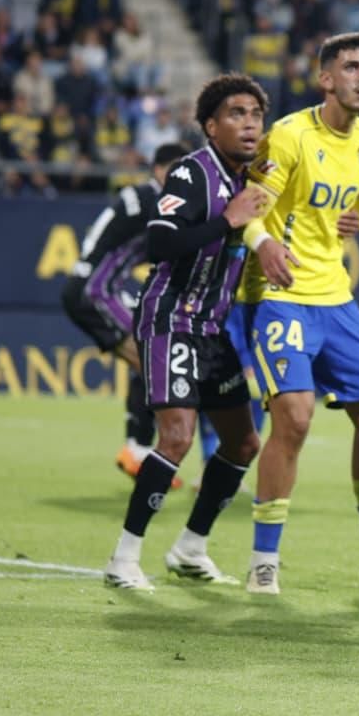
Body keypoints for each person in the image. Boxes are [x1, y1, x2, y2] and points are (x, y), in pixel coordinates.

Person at [236, 31, 359, 595]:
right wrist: (263, 244)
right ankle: (263, 561)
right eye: (351, 67)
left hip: (336, 299)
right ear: (325, 79)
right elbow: (248, 208)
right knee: (294, 417)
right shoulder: (290, 136)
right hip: (280, 295)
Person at [102, 76, 270, 590]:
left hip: (212, 329)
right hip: (171, 318)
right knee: (177, 436)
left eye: (256, 115)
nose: (250, 124)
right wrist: (227, 221)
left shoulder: (253, 180)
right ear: (211, 126)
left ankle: (190, 547)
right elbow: (160, 243)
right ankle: (124, 558)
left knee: (243, 442)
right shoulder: (191, 172)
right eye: (237, 114)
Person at [62, 141, 187, 480]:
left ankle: (137, 446)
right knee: (154, 362)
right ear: (158, 170)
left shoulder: (140, 196)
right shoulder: (156, 200)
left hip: (93, 287)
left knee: (149, 357)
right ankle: (139, 448)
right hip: (95, 292)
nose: (183, 179)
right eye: (177, 170)